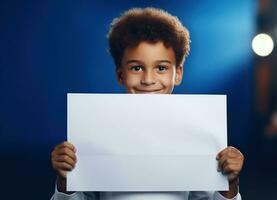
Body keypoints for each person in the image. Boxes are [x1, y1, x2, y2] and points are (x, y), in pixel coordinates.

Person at [50, 7, 244, 200]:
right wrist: (66, 181)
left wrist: (229, 185)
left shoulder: (197, 132)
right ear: (120, 74)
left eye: (161, 68)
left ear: (178, 73)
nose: (148, 79)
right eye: (136, 67)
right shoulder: (97, 130)